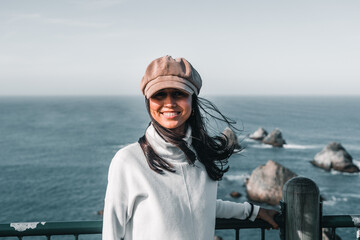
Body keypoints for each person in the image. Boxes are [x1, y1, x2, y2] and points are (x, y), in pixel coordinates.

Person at [102, 56, 279, 240]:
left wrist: (252, 211)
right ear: (148, 102)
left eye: (179, 93)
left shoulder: (202, 155)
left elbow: (202, 205)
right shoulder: (128, 161)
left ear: (192, 100)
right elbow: (112, 233)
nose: (169, 102)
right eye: (159, 94)